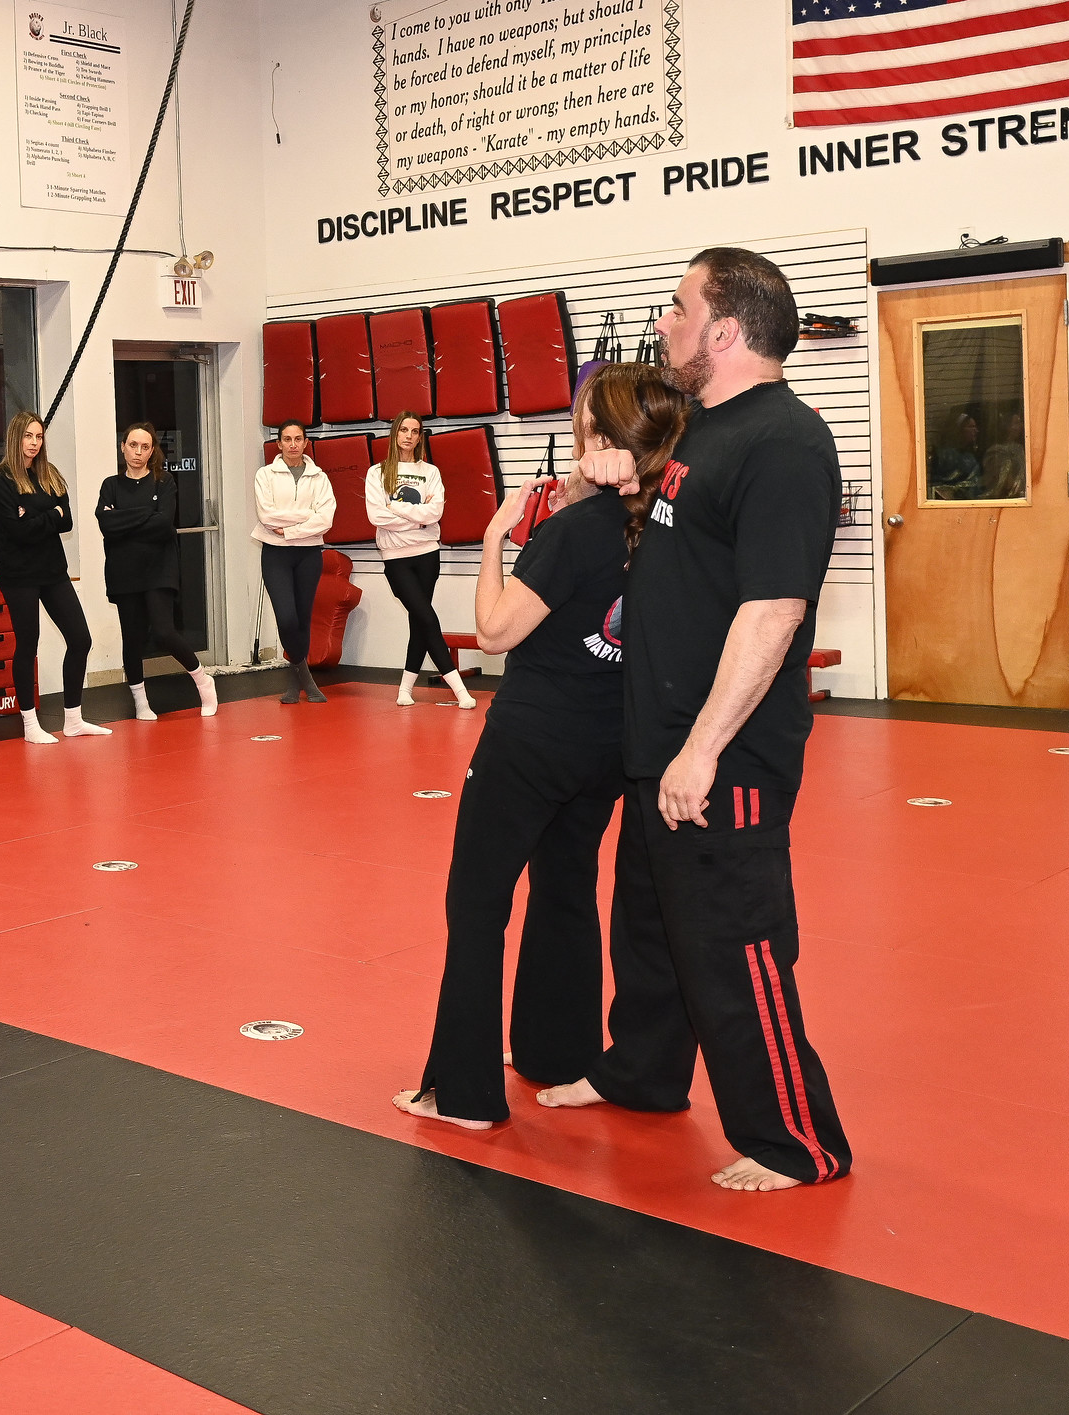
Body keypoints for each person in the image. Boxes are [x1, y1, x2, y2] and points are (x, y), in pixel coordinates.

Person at [548, 246, 853, 1193]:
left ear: (723, 331)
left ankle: (795, 1138)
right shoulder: (698, 432)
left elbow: (774, 611)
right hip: (659, 740)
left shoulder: (785, 443)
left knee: (735, 938)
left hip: (725, 756)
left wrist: (704, 749)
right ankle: (641, 1070)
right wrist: (600, 478)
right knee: (647, 923)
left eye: (679, 309)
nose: (665, 324)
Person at [391, 365, 684, 1129]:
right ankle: (556, 1051)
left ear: (598, 440)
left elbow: (492, 630)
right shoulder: (664, 521)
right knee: (564, 889)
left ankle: (462, 1092)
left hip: (531, 741)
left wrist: (493, 538)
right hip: (606, 746)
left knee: (478, 898)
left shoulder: (573, 532)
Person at [0, 412, 106, 744]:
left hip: (53, 570)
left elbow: (66, 520)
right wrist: (49, 513)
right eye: (28, 436)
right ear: (16, 438)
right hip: (19, 574)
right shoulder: (2, 479)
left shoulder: (49, 474)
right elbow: (17, 530)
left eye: (38, 437)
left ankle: (73, 719)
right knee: (28, 644)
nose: (34, 443)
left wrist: (37, 514)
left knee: (80, 638)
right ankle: (29, 724)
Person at [94, 421, 218, 719]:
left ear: (152, 451)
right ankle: (140, 702)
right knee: (132, 637)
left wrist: (123, 518)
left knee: (163, 631)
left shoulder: (163, 482)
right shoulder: (111, 485)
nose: (138, 452)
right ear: (123, 447)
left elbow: (164, 524)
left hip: (159, 568)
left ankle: (203, 680)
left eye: (145, 447)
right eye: (133, 445)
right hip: (124, 571)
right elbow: (106, 524)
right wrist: (143, 516)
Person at [365, 411, 476, 710]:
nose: (409, 436)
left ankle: (405, 689)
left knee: (419, 622)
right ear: (394, 434)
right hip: (396, 557)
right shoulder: (377, 472)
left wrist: (396, 508)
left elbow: (435, 513)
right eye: (404, 430)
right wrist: (417, 518)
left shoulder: (431, 472)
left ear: (420, 436)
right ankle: (459, 689)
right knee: (427, 618)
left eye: (415, 431)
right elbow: (376, 516)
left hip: (427, 554)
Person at [252, 421, 337, 704]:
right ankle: (305, 675)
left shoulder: (319, 477)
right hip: (275, 554)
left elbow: (325, 520)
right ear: (278, 443)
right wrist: (305, 517)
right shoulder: (265, 475)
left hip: (309, 554)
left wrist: (290, 529)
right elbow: (267, 516)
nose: (292, 444)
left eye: (297, 439)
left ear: (305, 442)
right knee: (286, 617)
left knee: (302, 617)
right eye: (286, 439)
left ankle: (295, 679)